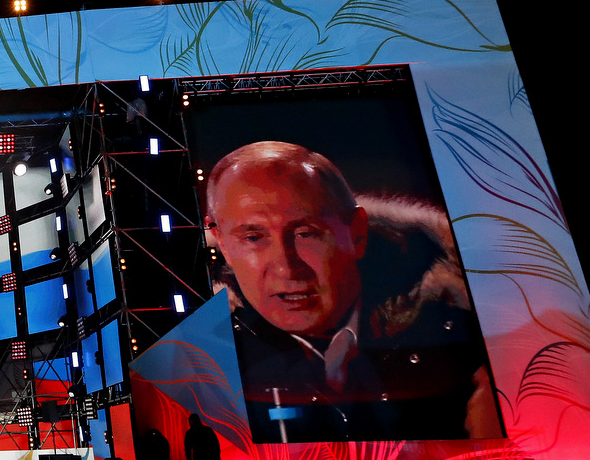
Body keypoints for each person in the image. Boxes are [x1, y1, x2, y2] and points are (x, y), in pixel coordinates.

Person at [203, 141, 499, 443]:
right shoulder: (205, 365)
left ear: (356, 233)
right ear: (221, 242)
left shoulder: (471, 341)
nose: (287, 268)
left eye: (306, 233)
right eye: (253, 237)